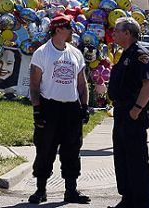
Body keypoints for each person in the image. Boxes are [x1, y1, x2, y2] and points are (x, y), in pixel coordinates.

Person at [28, 13, 91, 204]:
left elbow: (82, 83)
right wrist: (37, 109)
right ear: (58, 29)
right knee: (45, 149)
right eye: (69, 27)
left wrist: (85, 106)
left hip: (71, 108)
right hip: (50, 107)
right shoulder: (42, 53)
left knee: (72, 149)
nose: (72, 31)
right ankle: (40, 190)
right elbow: (34, 85)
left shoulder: (75, 53)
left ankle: (71, 190)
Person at [107, 17, 149, 208]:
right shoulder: (124, 54)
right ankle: (128, 198)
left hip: (133, 114)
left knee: (137, 159)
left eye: (117, 30)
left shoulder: (140, 55)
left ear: (127, 33)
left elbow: (148, 84)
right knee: (122, 157)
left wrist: (136, 109)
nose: (114, 33)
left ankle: (143, 201)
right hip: (121, 113)